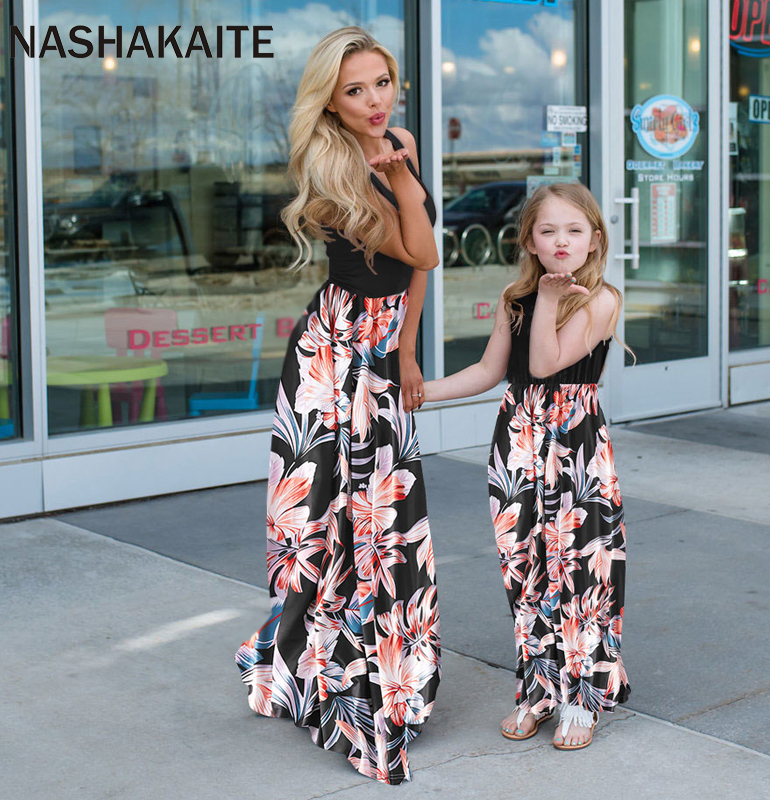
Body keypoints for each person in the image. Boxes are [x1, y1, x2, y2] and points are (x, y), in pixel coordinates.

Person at [235, 27, 441, 785]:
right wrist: (410, 183)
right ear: (330, 98)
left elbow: (418, 275)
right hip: (334, 357)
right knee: (332, 519)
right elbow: (421, 248)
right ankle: (329, 678)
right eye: (355, 90)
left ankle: (380, 672)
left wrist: (411, 351)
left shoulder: (399, 141)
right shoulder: (329, 163)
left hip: (382, 350)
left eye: (382, 82)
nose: (374, 100)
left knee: (383, 517)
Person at [424, 182, 631, 750]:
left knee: (582, 574)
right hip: (517, 444)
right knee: (526, 571)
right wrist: (419, 392)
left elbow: (544, 362)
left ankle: (583, 698)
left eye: (573, 230)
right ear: (530, 241)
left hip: (576, 448)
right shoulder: (514, 298)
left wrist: (547, 299)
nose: (561, 241)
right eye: (547, 231)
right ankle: (539, 689)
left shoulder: (602, 299)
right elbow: (492, 370)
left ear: (594, 239)